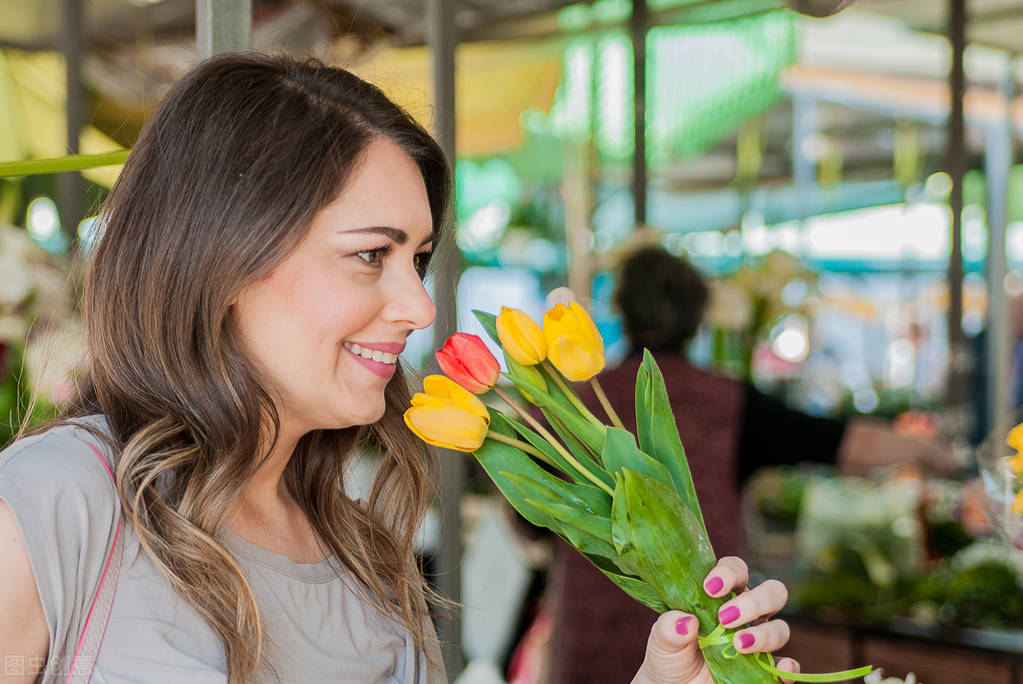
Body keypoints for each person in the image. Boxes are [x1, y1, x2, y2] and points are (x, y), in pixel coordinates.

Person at [0, 54, 796, 683]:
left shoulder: (366, 557)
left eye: (417, 258)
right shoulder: (56, 504)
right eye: (370, 255)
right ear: (223, 259)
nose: (418, 305)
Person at [547, 245, 952, 684]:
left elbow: (531, 517)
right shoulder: (728, 402)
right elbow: (842, 442)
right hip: (702, 647)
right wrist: (929, 451)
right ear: (700, 315)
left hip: (588, 636)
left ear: (620, 309)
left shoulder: (576, 405)